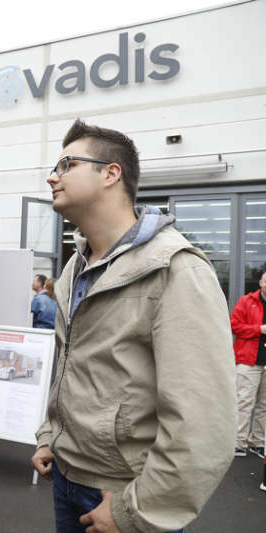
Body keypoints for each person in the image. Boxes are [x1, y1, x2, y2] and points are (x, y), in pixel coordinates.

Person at [30, 119, 235, 533]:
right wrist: (50, 433)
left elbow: (203, 422)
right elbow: (71, 367)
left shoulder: (175, 267)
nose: (53, 176)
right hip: (66, 478)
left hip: (122, 495)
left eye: (67, 163)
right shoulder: (74, 267)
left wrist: (135, 511)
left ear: (110, 174)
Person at [229, 271, 266, 459]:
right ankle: (238, 443)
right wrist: (259, 329)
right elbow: (233, 325)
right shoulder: (246, 301)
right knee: (244, 403)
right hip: (248, 362)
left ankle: (257, 443)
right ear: (261, 282)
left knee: (264, 406)